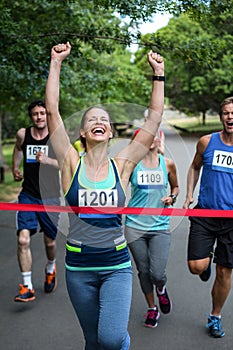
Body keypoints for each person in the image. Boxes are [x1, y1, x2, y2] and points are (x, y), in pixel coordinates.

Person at [45, 41, 164, 350]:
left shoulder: (122, 166)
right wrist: (55, 62)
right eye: (91, 120)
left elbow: (152, 122)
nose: (98, 122)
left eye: (104, 120)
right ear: (82, 132)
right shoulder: (71, 163)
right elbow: (53, 112)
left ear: (111, 132)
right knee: (93, 341)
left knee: (111, 339)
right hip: (79, 268)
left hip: (116, 266)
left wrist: (158, 76)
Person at [183, 96, 233, 338]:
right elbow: (194, 167)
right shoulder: (206, 142)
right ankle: (206, 258)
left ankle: (215, 316)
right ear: (221, 116)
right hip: (204, 213)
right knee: (196, 267)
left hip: (231, 220)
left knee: (225, 271)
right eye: (226, 113)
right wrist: (188, 196)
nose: (230, 117)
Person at [125, 131, 179, 328]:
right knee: (143, 271)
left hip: (159, 226)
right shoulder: (132, 165)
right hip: (134, 226)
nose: (150, 139)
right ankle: (151, 308)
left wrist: (171, 198)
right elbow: (119, 186)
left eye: (153, 136)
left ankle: (161, 289)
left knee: (157, 273)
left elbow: (175, 187)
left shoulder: (168, 164)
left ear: (159, 139)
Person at [12, 99, 61, 302]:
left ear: (47, 115)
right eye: (35, 114)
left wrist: (47, 160)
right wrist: (16, 167)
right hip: (28, 195)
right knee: (23, 240)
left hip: (50, 197)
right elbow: (18, 149)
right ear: (31, 116)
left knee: (49, 242)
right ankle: (27, 286)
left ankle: (51, 268)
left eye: (42, 113)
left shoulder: (56, 137)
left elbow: (68, 164)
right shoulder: (23, 134)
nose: (39, 117)